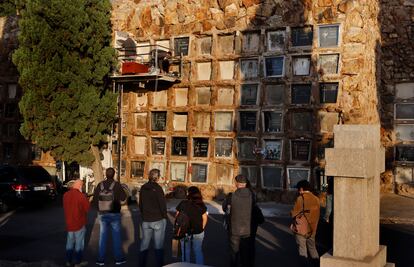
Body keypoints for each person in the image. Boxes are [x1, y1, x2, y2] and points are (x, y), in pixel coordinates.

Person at [93, 168, 127, 266]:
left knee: (102, 237)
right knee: (116, 237)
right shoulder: (117, 185)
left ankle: (100, 260)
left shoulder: (100, 185)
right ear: (114, 174)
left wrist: (99, 209)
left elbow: (95, 200)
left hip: (103, 214)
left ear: (105, 174)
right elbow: (124, 197)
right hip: (115, 213)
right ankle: (118, 259)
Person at [222, 175, 253, 267]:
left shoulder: (232, 197)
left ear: (236, 183)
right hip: (248, 229)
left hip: (234, 229)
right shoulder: (252, 196)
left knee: (234, 253)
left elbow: (225, 209)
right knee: (245, 253)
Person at [138, 168, 167, 267]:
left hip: (146, 219)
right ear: (157, 178)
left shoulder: (143, 188)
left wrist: (143, 215)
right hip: (157, 219)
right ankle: (159, 264)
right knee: (158, 245)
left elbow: (140, 203)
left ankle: (142, 264)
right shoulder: (158, 188)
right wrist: (164, 216)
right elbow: (162, 205)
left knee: (144, 243)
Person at [291, 180, 320, 267]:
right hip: (312, 229)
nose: (298, 191)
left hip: (302, 230)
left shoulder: (300, 198)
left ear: (301, 189)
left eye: (298, 189)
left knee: (302, 251)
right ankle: (317, 264)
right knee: (312, 248)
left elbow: (293, 213)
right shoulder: (316, 199)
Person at [175, 186, 208, 264]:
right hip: (198, 231)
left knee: (186, 252)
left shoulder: (183, 203)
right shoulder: (201, 205)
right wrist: (201, 228)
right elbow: (205, 218)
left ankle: (186, 265)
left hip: (184, 231)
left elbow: (177, 216)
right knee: (198, 251)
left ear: (189, 194)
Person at [63, 179, 90, 267]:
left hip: (69, 223)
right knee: (79, 244)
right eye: (81, 186)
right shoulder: (81, 196)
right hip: (79, 223)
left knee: (69, 243)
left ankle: (68, 261)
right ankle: (78, 262)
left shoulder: (65, 195)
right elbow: (87, 209)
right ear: (79, 186)